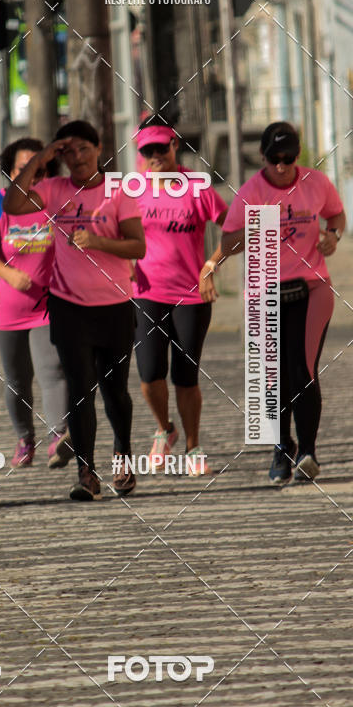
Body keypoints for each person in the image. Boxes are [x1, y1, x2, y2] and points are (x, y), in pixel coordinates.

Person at [3, 120, 146, 501]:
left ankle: (122, 458)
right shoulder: (54, 189)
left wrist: (98, 242)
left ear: (99, 149)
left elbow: (138, 246)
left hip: (114, 307)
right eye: (69, 152)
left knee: (115, 392)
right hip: (69, 309)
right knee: (79, 393)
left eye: (85, 148)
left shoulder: (118, 191)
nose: (78, 157)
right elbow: (12, 204)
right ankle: (87, 475)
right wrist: (40, 158)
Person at [221, 121, 346, 484]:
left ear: (297, 155)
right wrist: (256, 227)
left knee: (303, 371)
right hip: (266, 291)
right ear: (262, 156)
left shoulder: (316, 182)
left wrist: (333, 235)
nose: (281, 166)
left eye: (288, 158)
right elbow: (227, 244)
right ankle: (281, 447)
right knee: (273, 376)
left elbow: (336, 214)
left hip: (312, 287)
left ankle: (307, 452)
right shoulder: (251, 192)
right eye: (274, 158)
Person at [132, 117, 228, 476]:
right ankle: (164, 429)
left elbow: (235, 228)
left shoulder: (197, 186)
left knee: (186, 377)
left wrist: (210, 265)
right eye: (147, 151)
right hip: (146, 292)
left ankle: (192, 446)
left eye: (161, 147)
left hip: (191, 295)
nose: (155, 155)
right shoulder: (133, 189)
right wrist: (125, 262)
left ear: (174, 145)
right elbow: (112, 231)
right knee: (148, 375)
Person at [0, 137, 72, 470]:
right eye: (23, 169)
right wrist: (9, 274)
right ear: (10, 171)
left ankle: (58, 437)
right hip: (8, 307)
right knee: (17, 379)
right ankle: (25, 439)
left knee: (53, 370)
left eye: (39, 170)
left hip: (49, 304)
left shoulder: (56, 203)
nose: (32, 176)